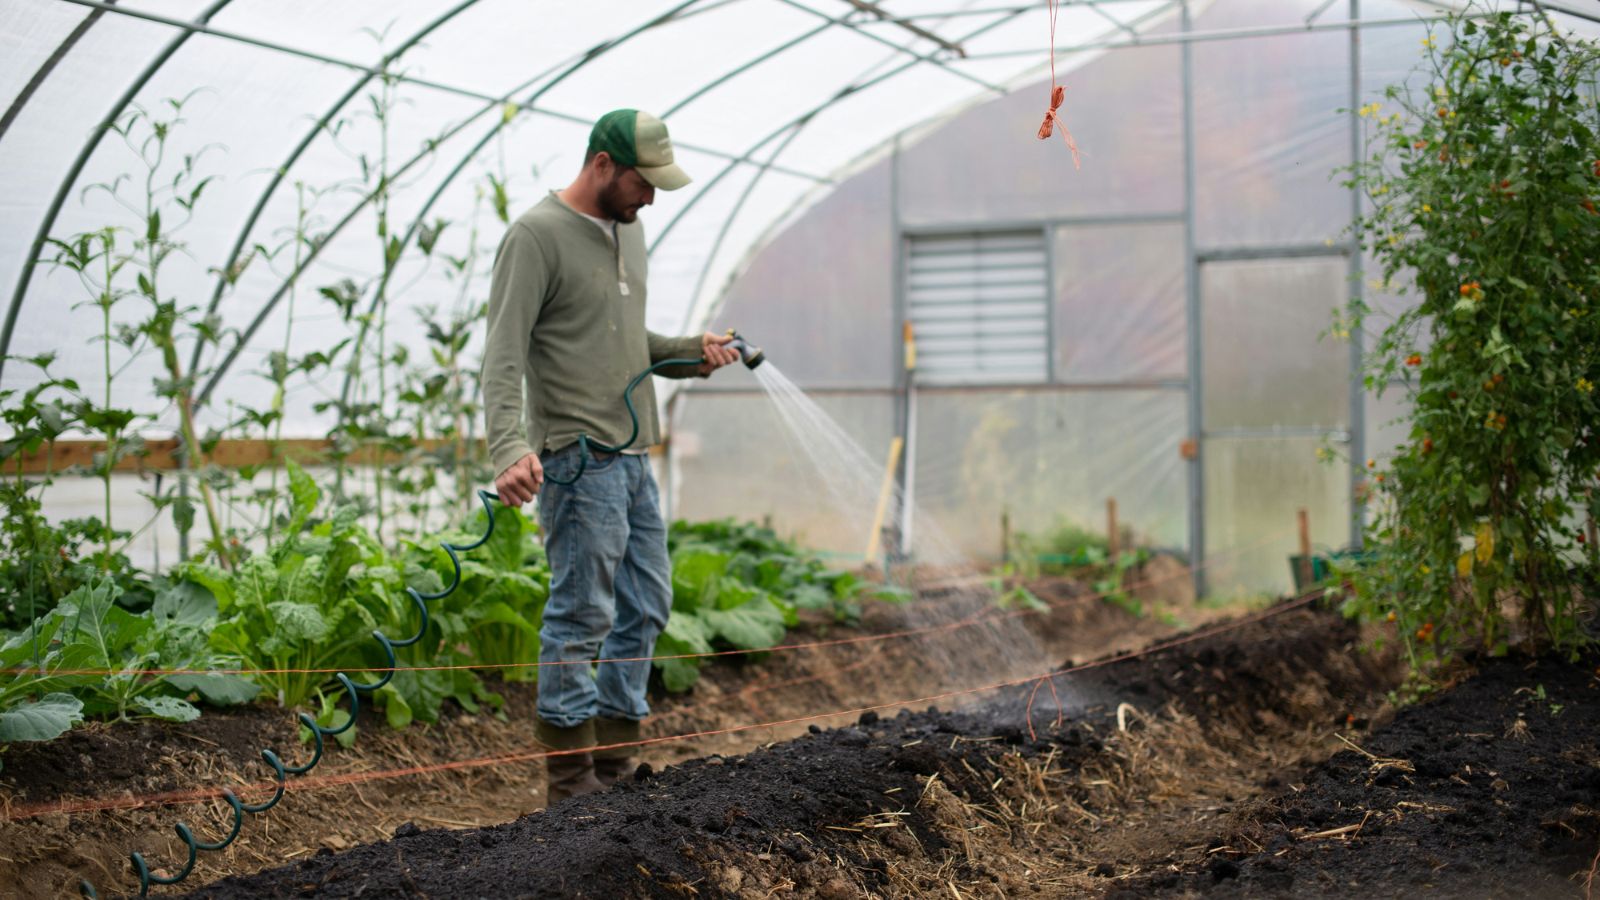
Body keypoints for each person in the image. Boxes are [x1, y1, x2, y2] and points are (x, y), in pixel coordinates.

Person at [481, 108, 740, 804]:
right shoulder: (536, 237)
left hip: (632, 458)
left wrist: (694, 354)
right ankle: (570, 785)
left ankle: (616, 771)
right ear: (602, 164)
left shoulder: (631, 231)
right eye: (642, 182)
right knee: (581, 613)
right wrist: (509, 447)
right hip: (577, 458)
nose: (651, 196)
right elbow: (503, 355)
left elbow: (628, 345)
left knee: (647, 602)